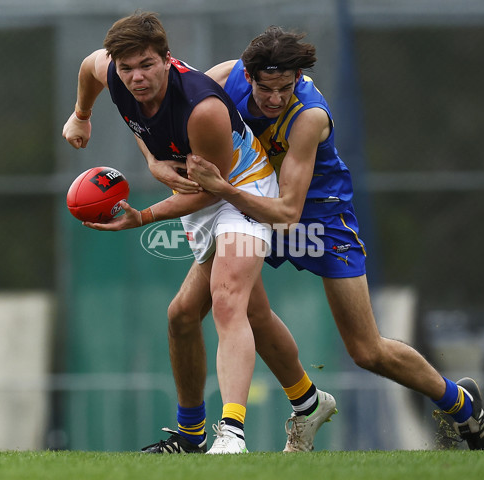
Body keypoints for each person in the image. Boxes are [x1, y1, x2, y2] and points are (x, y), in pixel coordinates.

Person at [182, 26, 484, 450]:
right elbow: (173, 114)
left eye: (284, 88)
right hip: (250, 200)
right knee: (225, 306)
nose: (274, 99)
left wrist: (221, 189)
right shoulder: (222, 79)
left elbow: (289, 212)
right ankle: (301, 406)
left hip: (319, 217)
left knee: (367, 350)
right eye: (265, 89)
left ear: (297, 81)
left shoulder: (308, 116)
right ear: (247, 75)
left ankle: (460, 403)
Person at [62, 12, 337, 454]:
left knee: (229, 302)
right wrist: (81, 116)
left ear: (168, 60)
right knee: (186, 317)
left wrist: (144, 217)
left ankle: (232, 433)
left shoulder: (202, 109)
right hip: (198, 188)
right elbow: (92, 71)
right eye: (126, 67)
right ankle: (291, 407)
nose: (136, 77)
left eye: (147, 65)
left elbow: (213, 192)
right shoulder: (111, 71)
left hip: (240, 186)